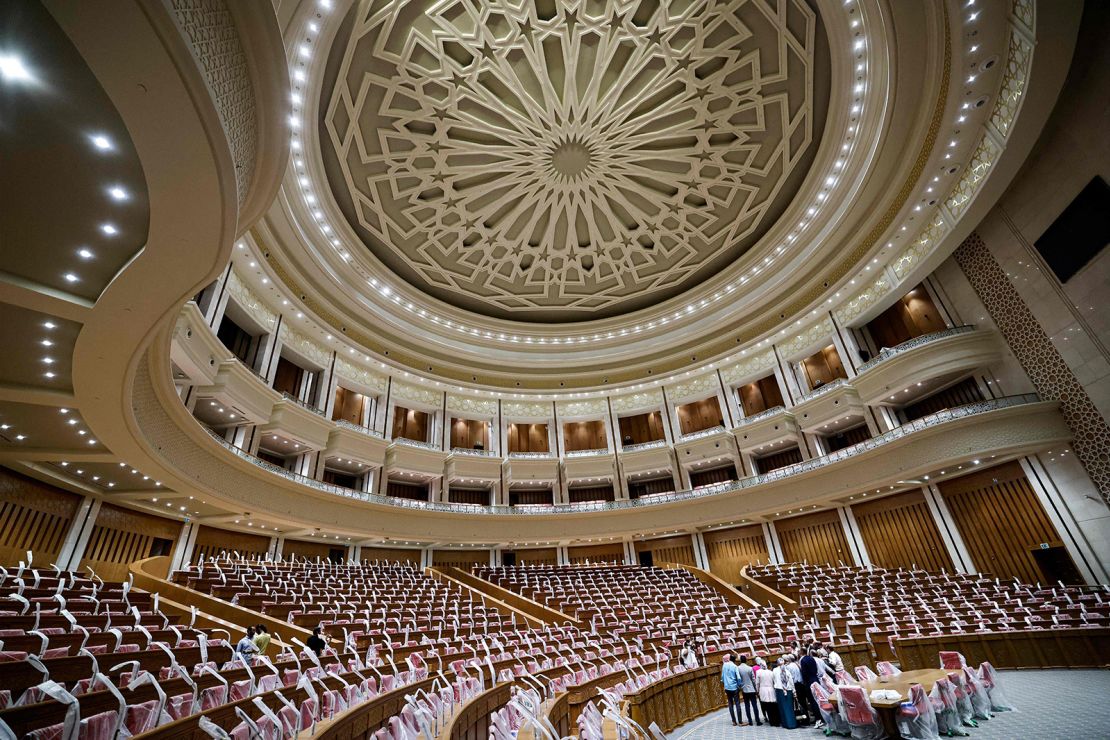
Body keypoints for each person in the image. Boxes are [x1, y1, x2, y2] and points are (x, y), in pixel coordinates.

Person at [800, 649, 824, 728]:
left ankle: (818, 719)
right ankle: (823, 717)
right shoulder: (811, 658)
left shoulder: (803, 660)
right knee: (818, 699)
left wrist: (805, 683)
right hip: (815, 679)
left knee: (813, 701)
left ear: (801, 652)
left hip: (809, 682)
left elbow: (804, 673)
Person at [773, 657, 797, 729]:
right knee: (790, 707)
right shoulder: (787, 671)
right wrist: (794, 691)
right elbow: (791, 682)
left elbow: (774, 679)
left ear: (777, 663)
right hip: (789, 690)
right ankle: (792, 723)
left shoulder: (775, 670)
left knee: (783, 707)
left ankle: (786, 723)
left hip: (780, 690)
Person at [736, 655, 760, 726]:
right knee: (754, 705)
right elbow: (753, 679)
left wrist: (740, 687)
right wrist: (756, 689)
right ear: (746, 660)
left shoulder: (738, 668)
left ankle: (750, 721)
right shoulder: (750, 668)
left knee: (747, 706)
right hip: (751, 689)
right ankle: (757, 720)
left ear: (740, 660)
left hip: (744, 689)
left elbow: (738, 678)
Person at [755, 656, 779, 726]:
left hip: (763, 690)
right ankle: (776, 721)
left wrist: (757, 691)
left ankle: (771, 721)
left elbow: (757, 683)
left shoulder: (758, 672)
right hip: (771, 689)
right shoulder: (771, 672)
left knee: (768, 706)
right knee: (773, 705)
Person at [720, 653, 742, 726]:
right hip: (734, 688)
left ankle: (734, 721)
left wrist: (725, 684)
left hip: (727, 688)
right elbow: (738, 678)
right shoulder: (735, 666)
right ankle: (740, 721)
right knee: (737, 704)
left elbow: (722, 678)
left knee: (730, 704)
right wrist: (739, 686)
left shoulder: (724, 665)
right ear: (735, 660)